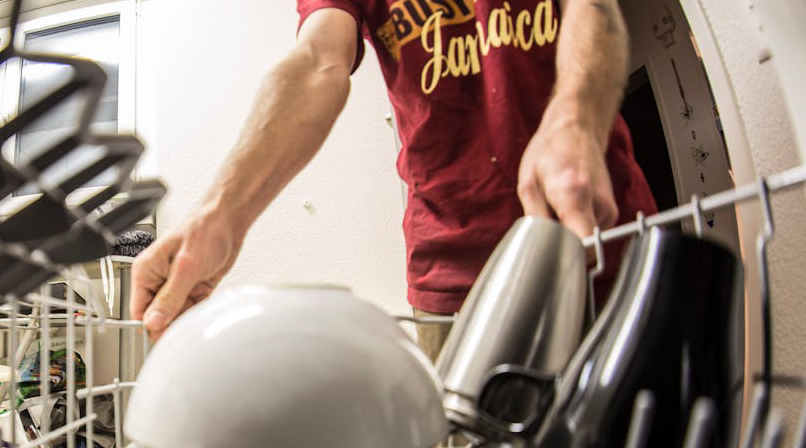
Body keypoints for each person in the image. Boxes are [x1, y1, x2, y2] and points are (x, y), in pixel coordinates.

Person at [130, 0, 657, 350]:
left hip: (596, 231)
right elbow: (318, 61)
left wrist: (573, 119)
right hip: (451, 275)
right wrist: (221, 214)